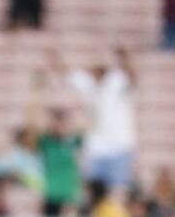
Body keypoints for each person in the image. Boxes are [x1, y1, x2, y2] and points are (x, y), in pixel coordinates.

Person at [54, 48, 138, 189]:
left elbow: (132, 79)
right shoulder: (88, 84)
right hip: (96, 147)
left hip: (120, 145)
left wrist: (125, 59)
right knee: (94, 190)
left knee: (118, 189)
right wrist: (54, 57)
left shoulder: (116, 81)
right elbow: (66, 73)